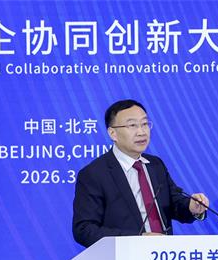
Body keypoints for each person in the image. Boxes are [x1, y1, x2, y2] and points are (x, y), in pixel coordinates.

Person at [72, 99, 209, 248]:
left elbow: (173, 203)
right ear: (113, 133)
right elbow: (84, 230)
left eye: (144, 124)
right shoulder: (94, 174)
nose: (141, 132)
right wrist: (137, 240)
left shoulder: (155, 165)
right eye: (132, 125)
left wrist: (191, 207)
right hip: (125, 257)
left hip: (163, 255)